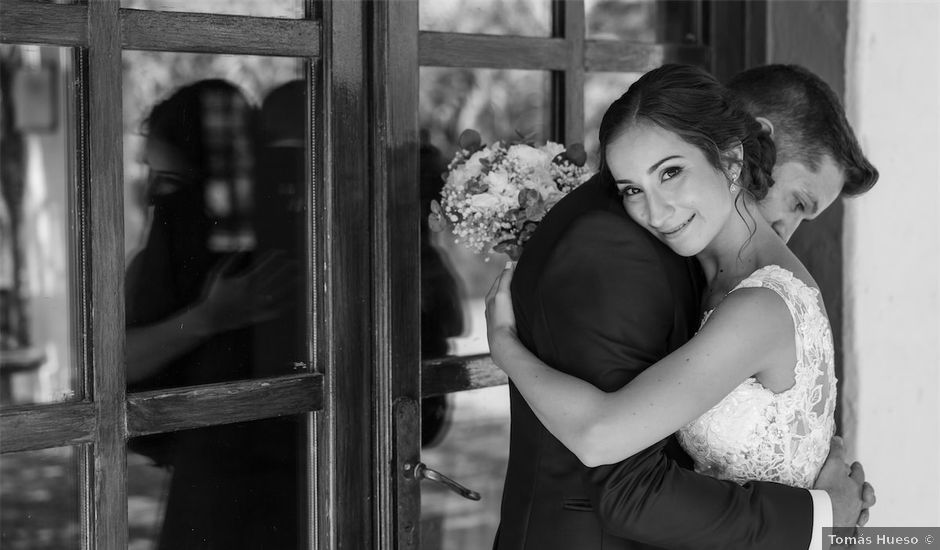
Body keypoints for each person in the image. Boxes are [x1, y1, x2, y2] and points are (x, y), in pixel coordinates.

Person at [485, 64, 877, 550]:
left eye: (671, 173)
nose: (655, 212)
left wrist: (504, 346)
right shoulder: (694, 266)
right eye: (633, 189)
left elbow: (599, 435)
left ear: (731, 159)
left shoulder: (759, 303)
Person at [125, 79, 304, 549]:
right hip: (299, 459)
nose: (148, 193)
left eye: (162, 176)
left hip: (226, 471)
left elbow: (117, 361)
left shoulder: (182, 223)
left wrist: (207, 318)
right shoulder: (307, 214)